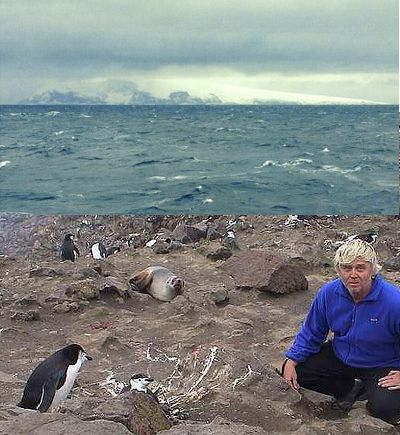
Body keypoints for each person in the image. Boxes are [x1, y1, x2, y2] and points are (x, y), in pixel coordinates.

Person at [282, 238, 400, 424]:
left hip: (382, 364)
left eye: (360, 268)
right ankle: (352, 389)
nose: (353, 274)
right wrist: (292, 360)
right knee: (294, 371)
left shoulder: (393, 302)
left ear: (372, 270)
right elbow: (312, 332)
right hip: (342, 355)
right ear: (338, 270)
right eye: (347, 268)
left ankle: (370, 391)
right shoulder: (328, 293)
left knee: (384, 408)